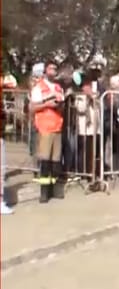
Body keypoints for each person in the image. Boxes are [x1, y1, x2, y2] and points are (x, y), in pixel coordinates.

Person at [29, 61, 66, 203]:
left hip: (57, 126)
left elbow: (61, 105)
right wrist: (47, 104)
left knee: (56, 161)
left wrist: (59, 106)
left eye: (55, 69)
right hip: (44, 127)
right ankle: (44, 193)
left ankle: (55, 190)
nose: (54, 71)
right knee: (45, 160)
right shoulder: (39, 87)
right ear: (45, 71)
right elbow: (33, 108)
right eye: (51, 68)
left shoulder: (58, 87)